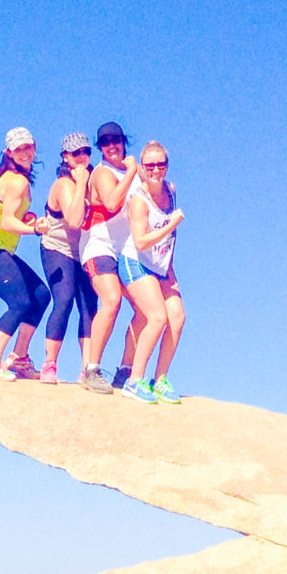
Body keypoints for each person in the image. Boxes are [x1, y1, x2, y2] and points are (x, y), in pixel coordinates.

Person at [0, 127, 52, 381]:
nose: (25, 153)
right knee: (20, 302)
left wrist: (26, 218)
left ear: (35, 147)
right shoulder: (17, 181)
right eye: (19, 149)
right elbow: (6, 223)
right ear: (9, 152)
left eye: (28, 147)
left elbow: (8, 215)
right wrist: (34, 229)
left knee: (40, 295)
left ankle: (19, 357)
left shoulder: (15, 179)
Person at [116, 142, 186, 404]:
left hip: (161, 265)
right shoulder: (139, 200)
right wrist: (172, 223)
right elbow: (141, 241)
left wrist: (169, 267)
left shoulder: (170, 190)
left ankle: (160, 380)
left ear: (166, 166)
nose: (156, 170)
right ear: (142, 170)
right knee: (156, 317)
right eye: (150, 165)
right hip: (135, 261)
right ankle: (134, 381)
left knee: (177, 317)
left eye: (160, 164)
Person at [78, 121, 139, 394]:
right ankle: (91, 369)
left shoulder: (130, 173)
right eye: (105, 142)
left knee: (147, 309)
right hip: (98, 245)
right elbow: (112, 202)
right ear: (100, 148)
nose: (112, 146)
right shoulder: (103, 172)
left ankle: (125, 371)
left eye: (116, 140)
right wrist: (132, 172)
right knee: (112, 299)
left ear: (124, 141)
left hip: (126, 249)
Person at [38, 133, 97, 384]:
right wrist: (81, 182)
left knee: (89, 307)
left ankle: (88, 369)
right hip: (57, 248)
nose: (81, 157)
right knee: (63, 300)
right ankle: (49, 364)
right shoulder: (64, 184)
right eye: (76, 153)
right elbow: (73, 221)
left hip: (83, 251)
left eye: (85, 152)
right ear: (66, 157)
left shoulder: (94, 180)